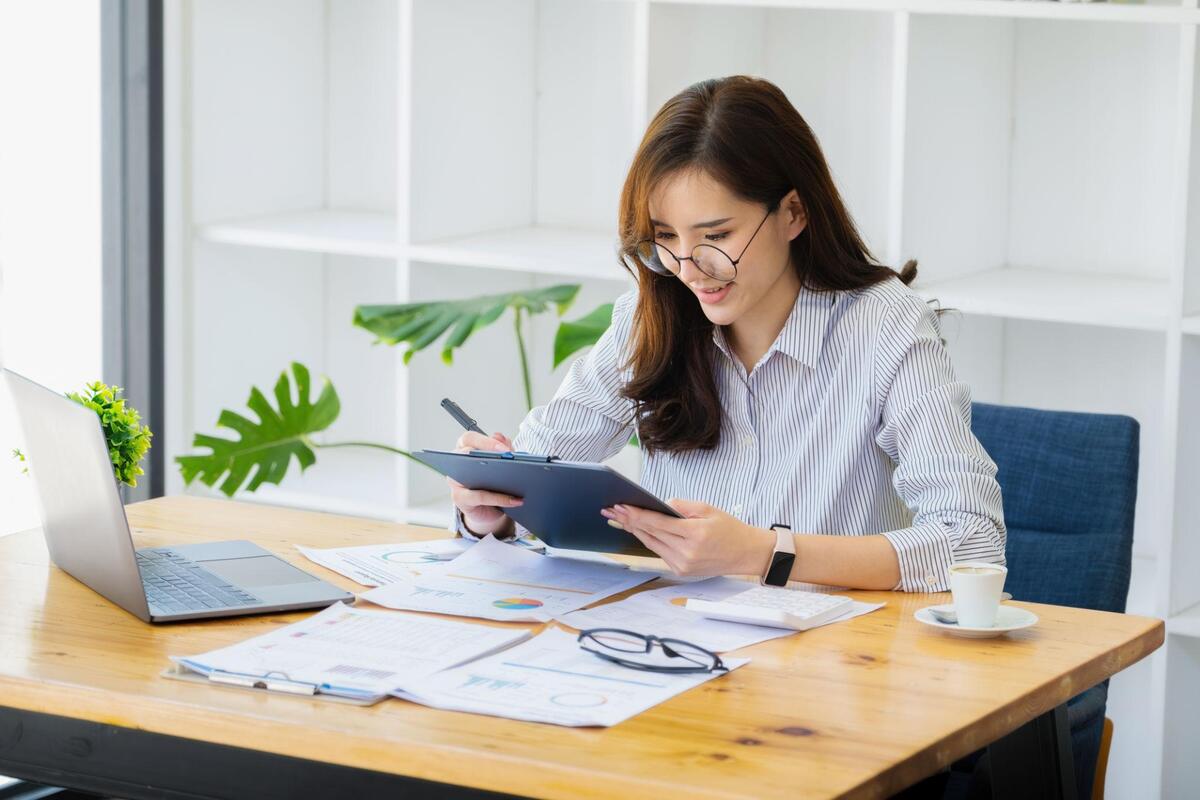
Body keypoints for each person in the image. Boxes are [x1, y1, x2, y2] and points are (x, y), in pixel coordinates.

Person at [449, 75, 1005, 592]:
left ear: (793, 213)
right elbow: (534, 474)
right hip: (676, 641)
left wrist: (763, 553)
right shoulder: (649, 318)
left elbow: (971, 541)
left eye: (716, 236)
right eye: (666, 238)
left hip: (834, 651)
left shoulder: (886, 327)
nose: (689, 269)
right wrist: (491, 510)